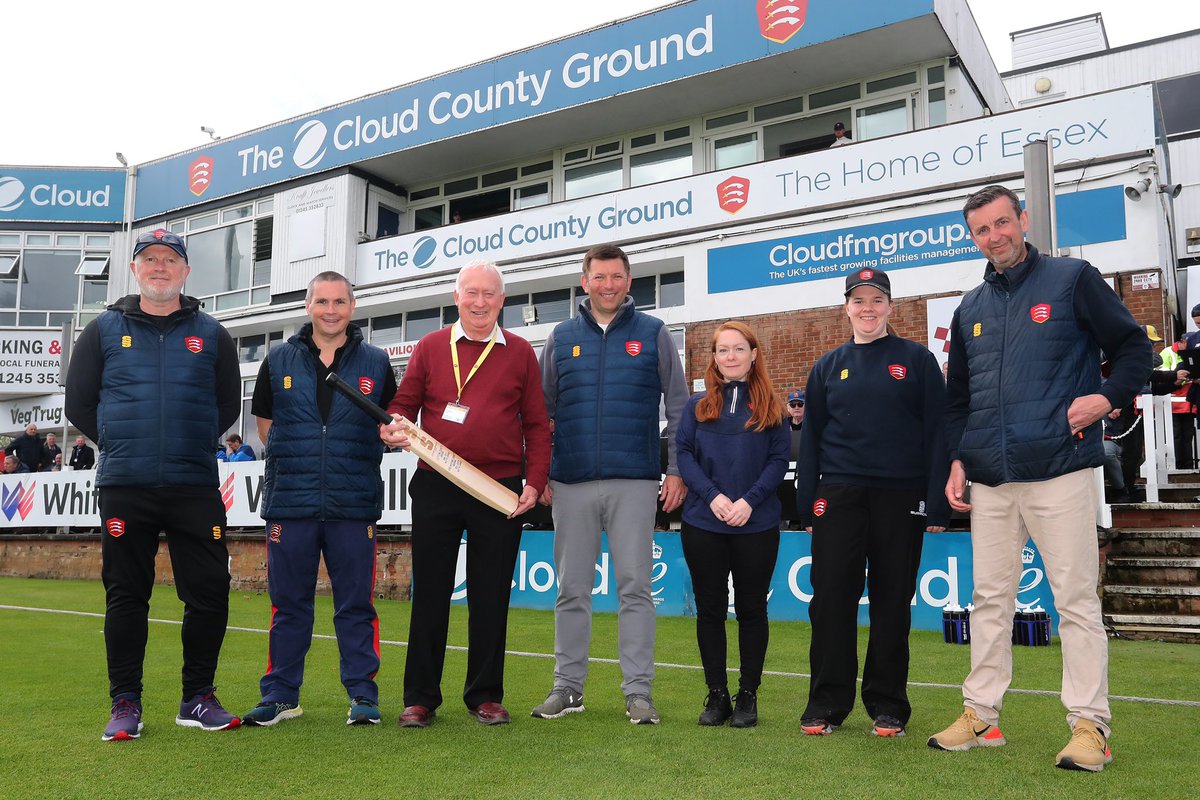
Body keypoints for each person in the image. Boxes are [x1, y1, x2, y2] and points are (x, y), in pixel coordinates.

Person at [931, 185, 1151, 772]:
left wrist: (1105, 399)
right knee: (988, 600)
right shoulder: (969, 307)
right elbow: (959, 400)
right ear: (971, 237)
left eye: (1003, 222)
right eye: (982, 229)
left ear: (1023, 220)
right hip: (992, 480)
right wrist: (958, 457)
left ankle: (1089, 726)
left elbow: (1134, 349)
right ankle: (981, 714)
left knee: (1075, 601)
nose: (995, 235)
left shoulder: (1073, 278)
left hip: (1059, 468)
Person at [64, 228, 242, 742]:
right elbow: (79, 404)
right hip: (127, 485)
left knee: (208, 592)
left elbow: (226, 407)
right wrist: (124, 444)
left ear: (185, 272)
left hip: (193, 485)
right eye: (149, 259)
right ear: (135, 270)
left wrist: (184, 444)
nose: (159, 267)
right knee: (126, 595)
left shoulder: (213, 334)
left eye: (170, 259)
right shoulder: (101, 330)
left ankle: (198, 697)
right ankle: (125, 703)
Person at [380, 260, 550, 728]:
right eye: (471, 293)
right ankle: (420, 698)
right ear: (456, 296)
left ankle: (485, 695)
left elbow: (537, 424)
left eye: (489, 294)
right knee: (430, 593)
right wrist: (393, 425)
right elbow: (404, 403)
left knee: (491, 595)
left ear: (502, 300)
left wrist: (534, 481)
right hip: (436, 483)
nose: (479, 302)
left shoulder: (520, 353)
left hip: (498, 490)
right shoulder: (431, 346)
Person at [532, 243, 689, 725]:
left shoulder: (655, 333)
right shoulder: (561, 336)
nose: (608, 285)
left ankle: (638, 692)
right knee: (571, 590)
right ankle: (568, 688)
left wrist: (676, 468)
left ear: (628, 281)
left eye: (616, 276)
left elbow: (679, 407)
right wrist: (541, 475)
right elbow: (542, 415)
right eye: (599, 277)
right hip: (571, 482)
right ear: (585, 282)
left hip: (635, 480)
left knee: (634, 589)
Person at [796, 267, 949, 739]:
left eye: (876, 300)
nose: (867, 309)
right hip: (839, 496)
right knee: (830, 602)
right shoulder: (827, 366)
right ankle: (825, 702)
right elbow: (812, 441)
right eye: (858, 301)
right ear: (846, 307)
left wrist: (937, 505)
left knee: (891, 603)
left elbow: (937, 434)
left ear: (889, 306)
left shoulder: (917, 360)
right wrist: (807, 506)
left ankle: (888, 706)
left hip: (900, 496)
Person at [242, 271, 396, 728]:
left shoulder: (376, 361)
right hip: (291, 503)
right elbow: (266, 425)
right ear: (308, 306)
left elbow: (387, 428)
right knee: (288, 605)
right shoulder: (278, 359)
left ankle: (363, 697)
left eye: (340, 302)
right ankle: (281, 696)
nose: (331, 310)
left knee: (356, 606)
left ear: (353, 306)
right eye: (322, 301)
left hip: (353, 503)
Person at [675, 321, 788, 728]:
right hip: (704, 523)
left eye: (738, 349)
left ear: (753, 354)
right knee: (710, 611)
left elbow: (779, 461)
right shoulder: (696, 405)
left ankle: (748, 696)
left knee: (752, 610)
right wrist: (714, 496)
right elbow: (684, 455)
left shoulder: (772, 405)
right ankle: (717, 695)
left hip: (756, 524)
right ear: (715, 357)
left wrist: (748, 502)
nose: (731, 357)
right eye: (723, 350)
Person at [777, 389, 806, 526]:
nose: (796, 408)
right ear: (787, 407)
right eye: (793, 404)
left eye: (800, 404)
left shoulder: (812, 426)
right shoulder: (780, 427)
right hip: (786, 476)